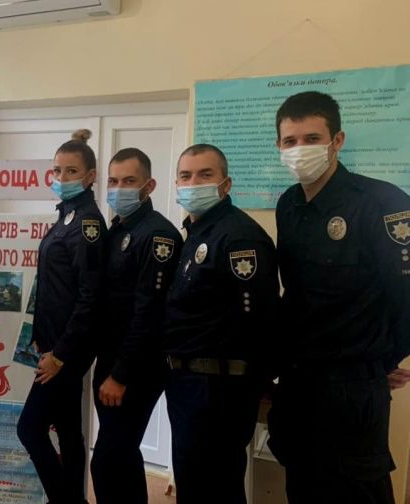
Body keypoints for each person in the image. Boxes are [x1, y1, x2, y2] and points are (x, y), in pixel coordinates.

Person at [267, 91, 410, 504]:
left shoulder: (382, 203)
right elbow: (295, 293)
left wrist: (381, 360)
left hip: (352, 389)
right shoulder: (288, 205)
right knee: (302, 486)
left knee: (357, 492)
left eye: (311, 138)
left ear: (337, 141)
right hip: (298, 382)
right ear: (279, 146)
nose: (300, 149)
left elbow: (406, 296)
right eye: (290, 141)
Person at [162, 144, 278, 504]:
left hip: (218, 390)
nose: (193, 183)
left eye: (205, 175)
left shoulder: (239, 237)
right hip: (188, 384)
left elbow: (260, 319)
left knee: (215, 487)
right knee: (193, 484)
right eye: (185, 176)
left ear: (225, 184)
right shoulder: (197, 233)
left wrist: (256, 383)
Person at [16, 129, 106, 504]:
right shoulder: (67, 215)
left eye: (71, 171)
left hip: (67, 350)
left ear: (90, 176)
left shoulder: (87, 224)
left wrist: (61, 354)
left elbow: (90, 297)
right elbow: (56, 287)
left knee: (29, 428)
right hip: (54, 343)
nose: (61, 177)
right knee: (68, 429)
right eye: (57, 170)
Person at [90, 148, 182, 504]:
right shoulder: (118, 229)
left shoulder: (158, 236)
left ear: (149, 186)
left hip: (135, 369)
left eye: (129, 181)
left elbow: (149, 313)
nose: (119, 189)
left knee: (106, 461)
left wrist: (120, 375)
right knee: (124, 456)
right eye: (113, 181)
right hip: (110, 359)